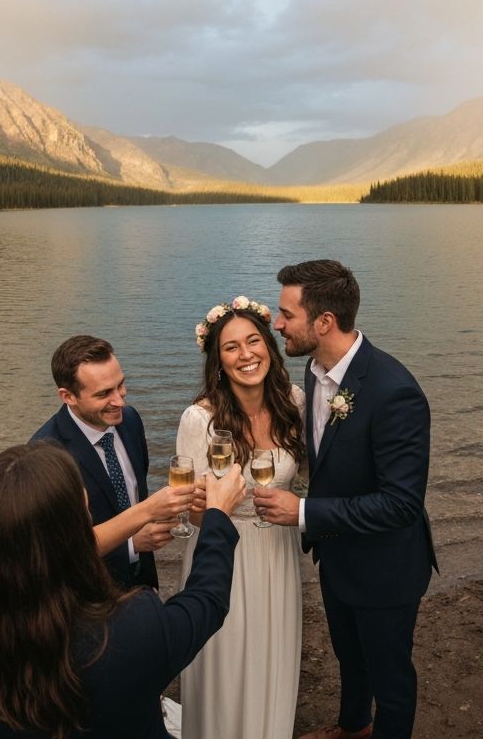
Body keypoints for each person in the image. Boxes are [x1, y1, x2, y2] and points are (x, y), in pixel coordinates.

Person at [0, 442, 247, 739]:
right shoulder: (131, 629)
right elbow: (207, 600)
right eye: (85, 510)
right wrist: (217, 515)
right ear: (73, 534)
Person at [254, 260, 438, 739]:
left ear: (324, 322)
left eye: (286, 314)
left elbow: (401, 504)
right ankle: (354, 726)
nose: (277, 324)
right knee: (349, 657)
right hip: (337, 557)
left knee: (390, 680)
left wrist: (303, 511)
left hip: (385, 569)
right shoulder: (315, 371)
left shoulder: (395, 392)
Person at [176, 295, 306, 739]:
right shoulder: (200, 420)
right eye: (231, 347)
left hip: (277, 548)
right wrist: (210, 504)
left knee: (273, 653)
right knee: (226, 664)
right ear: (218, 360)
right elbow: (193, 514)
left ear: (268, 345)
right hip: (222, 551)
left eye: (253, 341)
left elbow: (312, 473)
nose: (246, 354)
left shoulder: (295, 402)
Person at [31, 334, 192, 588]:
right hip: (89, 594)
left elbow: (136, 491)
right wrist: (131, 545)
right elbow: (55, 552)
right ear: (68, 396)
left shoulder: (130, 420)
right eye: (104, 393)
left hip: (142, 584)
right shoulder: (44, 455)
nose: (120, 400)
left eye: (121, 385)